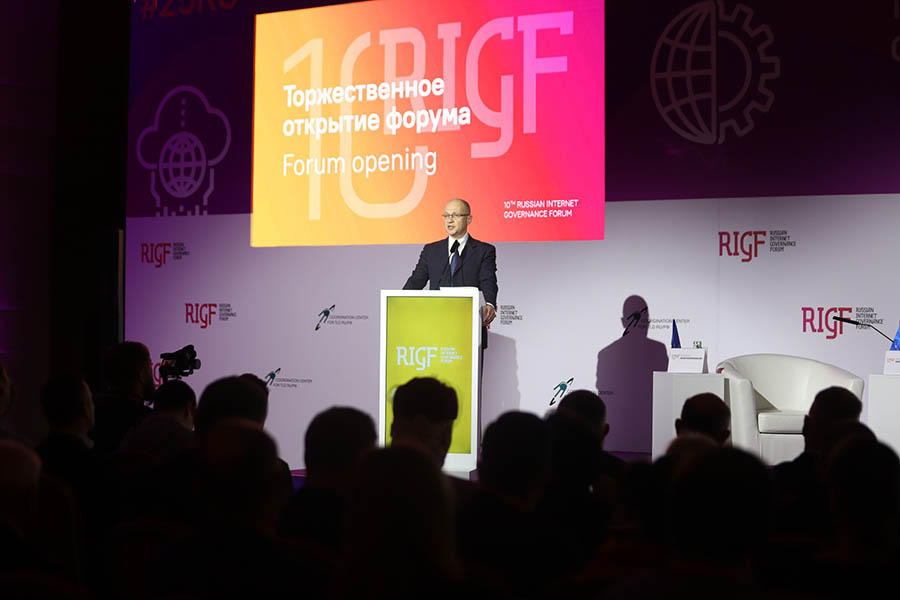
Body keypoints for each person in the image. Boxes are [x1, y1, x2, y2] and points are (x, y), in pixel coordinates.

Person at [403, 198, 498, 327]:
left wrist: (489, 304)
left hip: (468, 322)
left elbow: (488, 281)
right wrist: (400, 301)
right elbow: (416, 281)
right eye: (446, 215)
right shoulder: (431, 250)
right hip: (436, 322)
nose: (450, 220)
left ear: (469, 219)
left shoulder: (484, 251)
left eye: (456, 215)